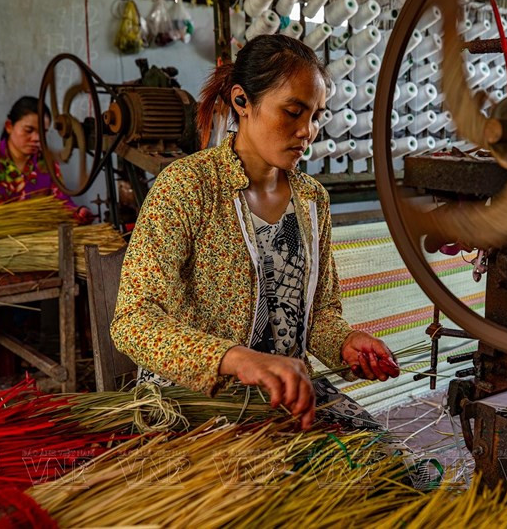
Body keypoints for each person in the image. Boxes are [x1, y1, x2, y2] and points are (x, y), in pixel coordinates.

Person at [111, 35, 399, 431]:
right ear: (242, 102)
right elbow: (133, 321)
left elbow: (318, 315)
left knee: (391, 469)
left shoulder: (312, 199)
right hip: (196, 403)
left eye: (315, 116)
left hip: (283, 399)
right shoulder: (188, 186)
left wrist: (345, 343)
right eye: (293, 112)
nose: (307, 132)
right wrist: (237, 359)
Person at [0, 96, 93, 224]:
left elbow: (61, 202)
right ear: (9, 126)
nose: (36, 138)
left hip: (36, 243)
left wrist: (78, 212)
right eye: (29, 130)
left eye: (42, 132)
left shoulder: (46, 164)